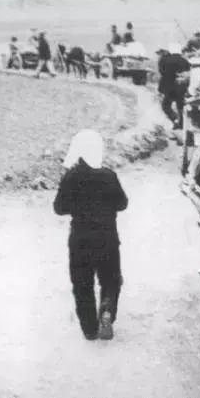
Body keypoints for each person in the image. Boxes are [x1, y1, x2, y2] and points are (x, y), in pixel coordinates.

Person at [53, 129, 128, 341]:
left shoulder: (71, 177)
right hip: (108, 239)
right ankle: (107, 309)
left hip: (80, 241)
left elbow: (59, 208)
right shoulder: (109, 175)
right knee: (111, 280)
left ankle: (89, 329)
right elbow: (122, 204)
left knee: (82, 285)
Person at [158, 43, 190, 130]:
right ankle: (181, 124)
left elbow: (162, 72)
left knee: (166, 106)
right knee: (181, 107)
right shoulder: (185, 61)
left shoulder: (165, 60)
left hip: (169, 88)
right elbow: (187, 75)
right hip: (181, 87)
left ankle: (175, 119)